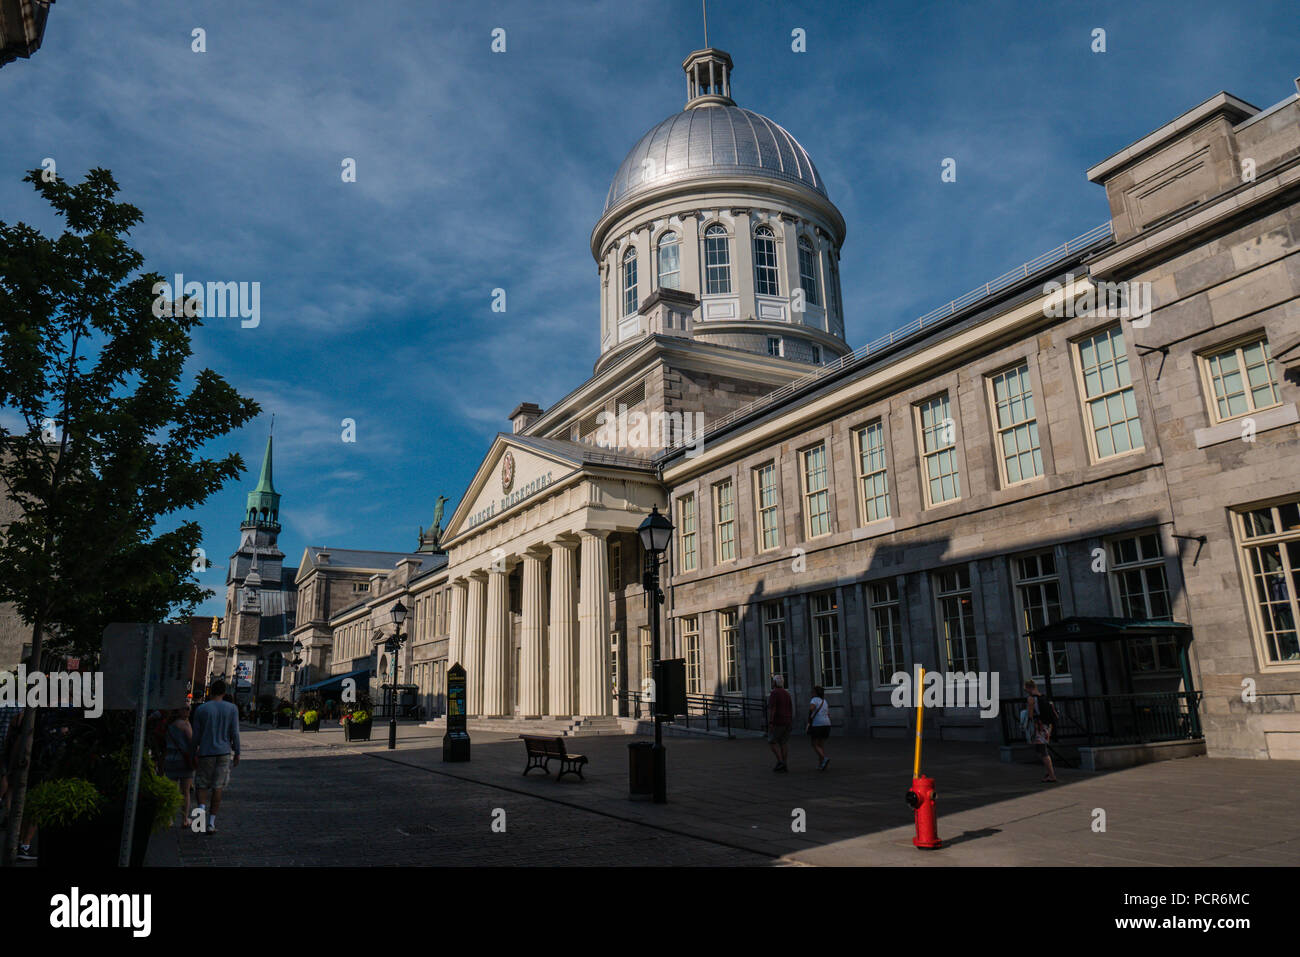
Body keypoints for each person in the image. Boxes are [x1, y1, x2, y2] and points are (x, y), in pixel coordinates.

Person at [191, 679, 241, 834]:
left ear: (211, 692)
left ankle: (199, 822)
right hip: (224, 752)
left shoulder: (201, 709)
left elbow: (196, 735)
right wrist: (237, 752)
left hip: (205, 752)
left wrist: (193, 752)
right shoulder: (232, 708)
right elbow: (235, 733)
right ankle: (211, 823)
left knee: (201, 785)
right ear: (224, 693)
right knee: (218, 786)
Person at [162, 706, 195, 827]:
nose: (189, 711)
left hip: (170, 759)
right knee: (185, 792)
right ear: (180, 711)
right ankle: (185, 819)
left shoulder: (169, 725)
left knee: (171, 790)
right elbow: (192, 741)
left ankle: (169, 819)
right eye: (186, 709)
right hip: (183, 761)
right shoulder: (185, 725)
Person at [1025, 679, 1057, 782]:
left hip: (1039, 727)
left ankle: (1052, 775)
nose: (1026, 691)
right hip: (1047, 726)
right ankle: (1049, 772)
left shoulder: (1031, 699)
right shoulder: (1043, 696)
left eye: (1026, 689)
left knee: (1043, 751)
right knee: (1040, 749)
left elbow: (1030, 715)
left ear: (1030, 688)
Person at [766, 676, 793, 772]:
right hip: (787, 721)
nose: (772, 683)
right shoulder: (787, 693)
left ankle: (780, 761)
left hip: (778, 721)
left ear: (775, 683)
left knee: (772, 742)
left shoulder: (774, 693)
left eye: (773, 682)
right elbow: (790, 707)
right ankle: (784, 763)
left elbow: (773, 709)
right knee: (783, 743)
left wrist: (771, 722)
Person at [807, 685, 831, 770]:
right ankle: (821, 764)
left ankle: (824, 758)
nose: (811, 693)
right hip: (827, 724)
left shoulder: (814, 700)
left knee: (814, 744)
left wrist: (809, 720)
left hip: (818, 724)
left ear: (815, 693)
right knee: (821, 744)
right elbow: (828, 713)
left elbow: (811, 708)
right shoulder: (824, 701)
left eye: (812, 691)